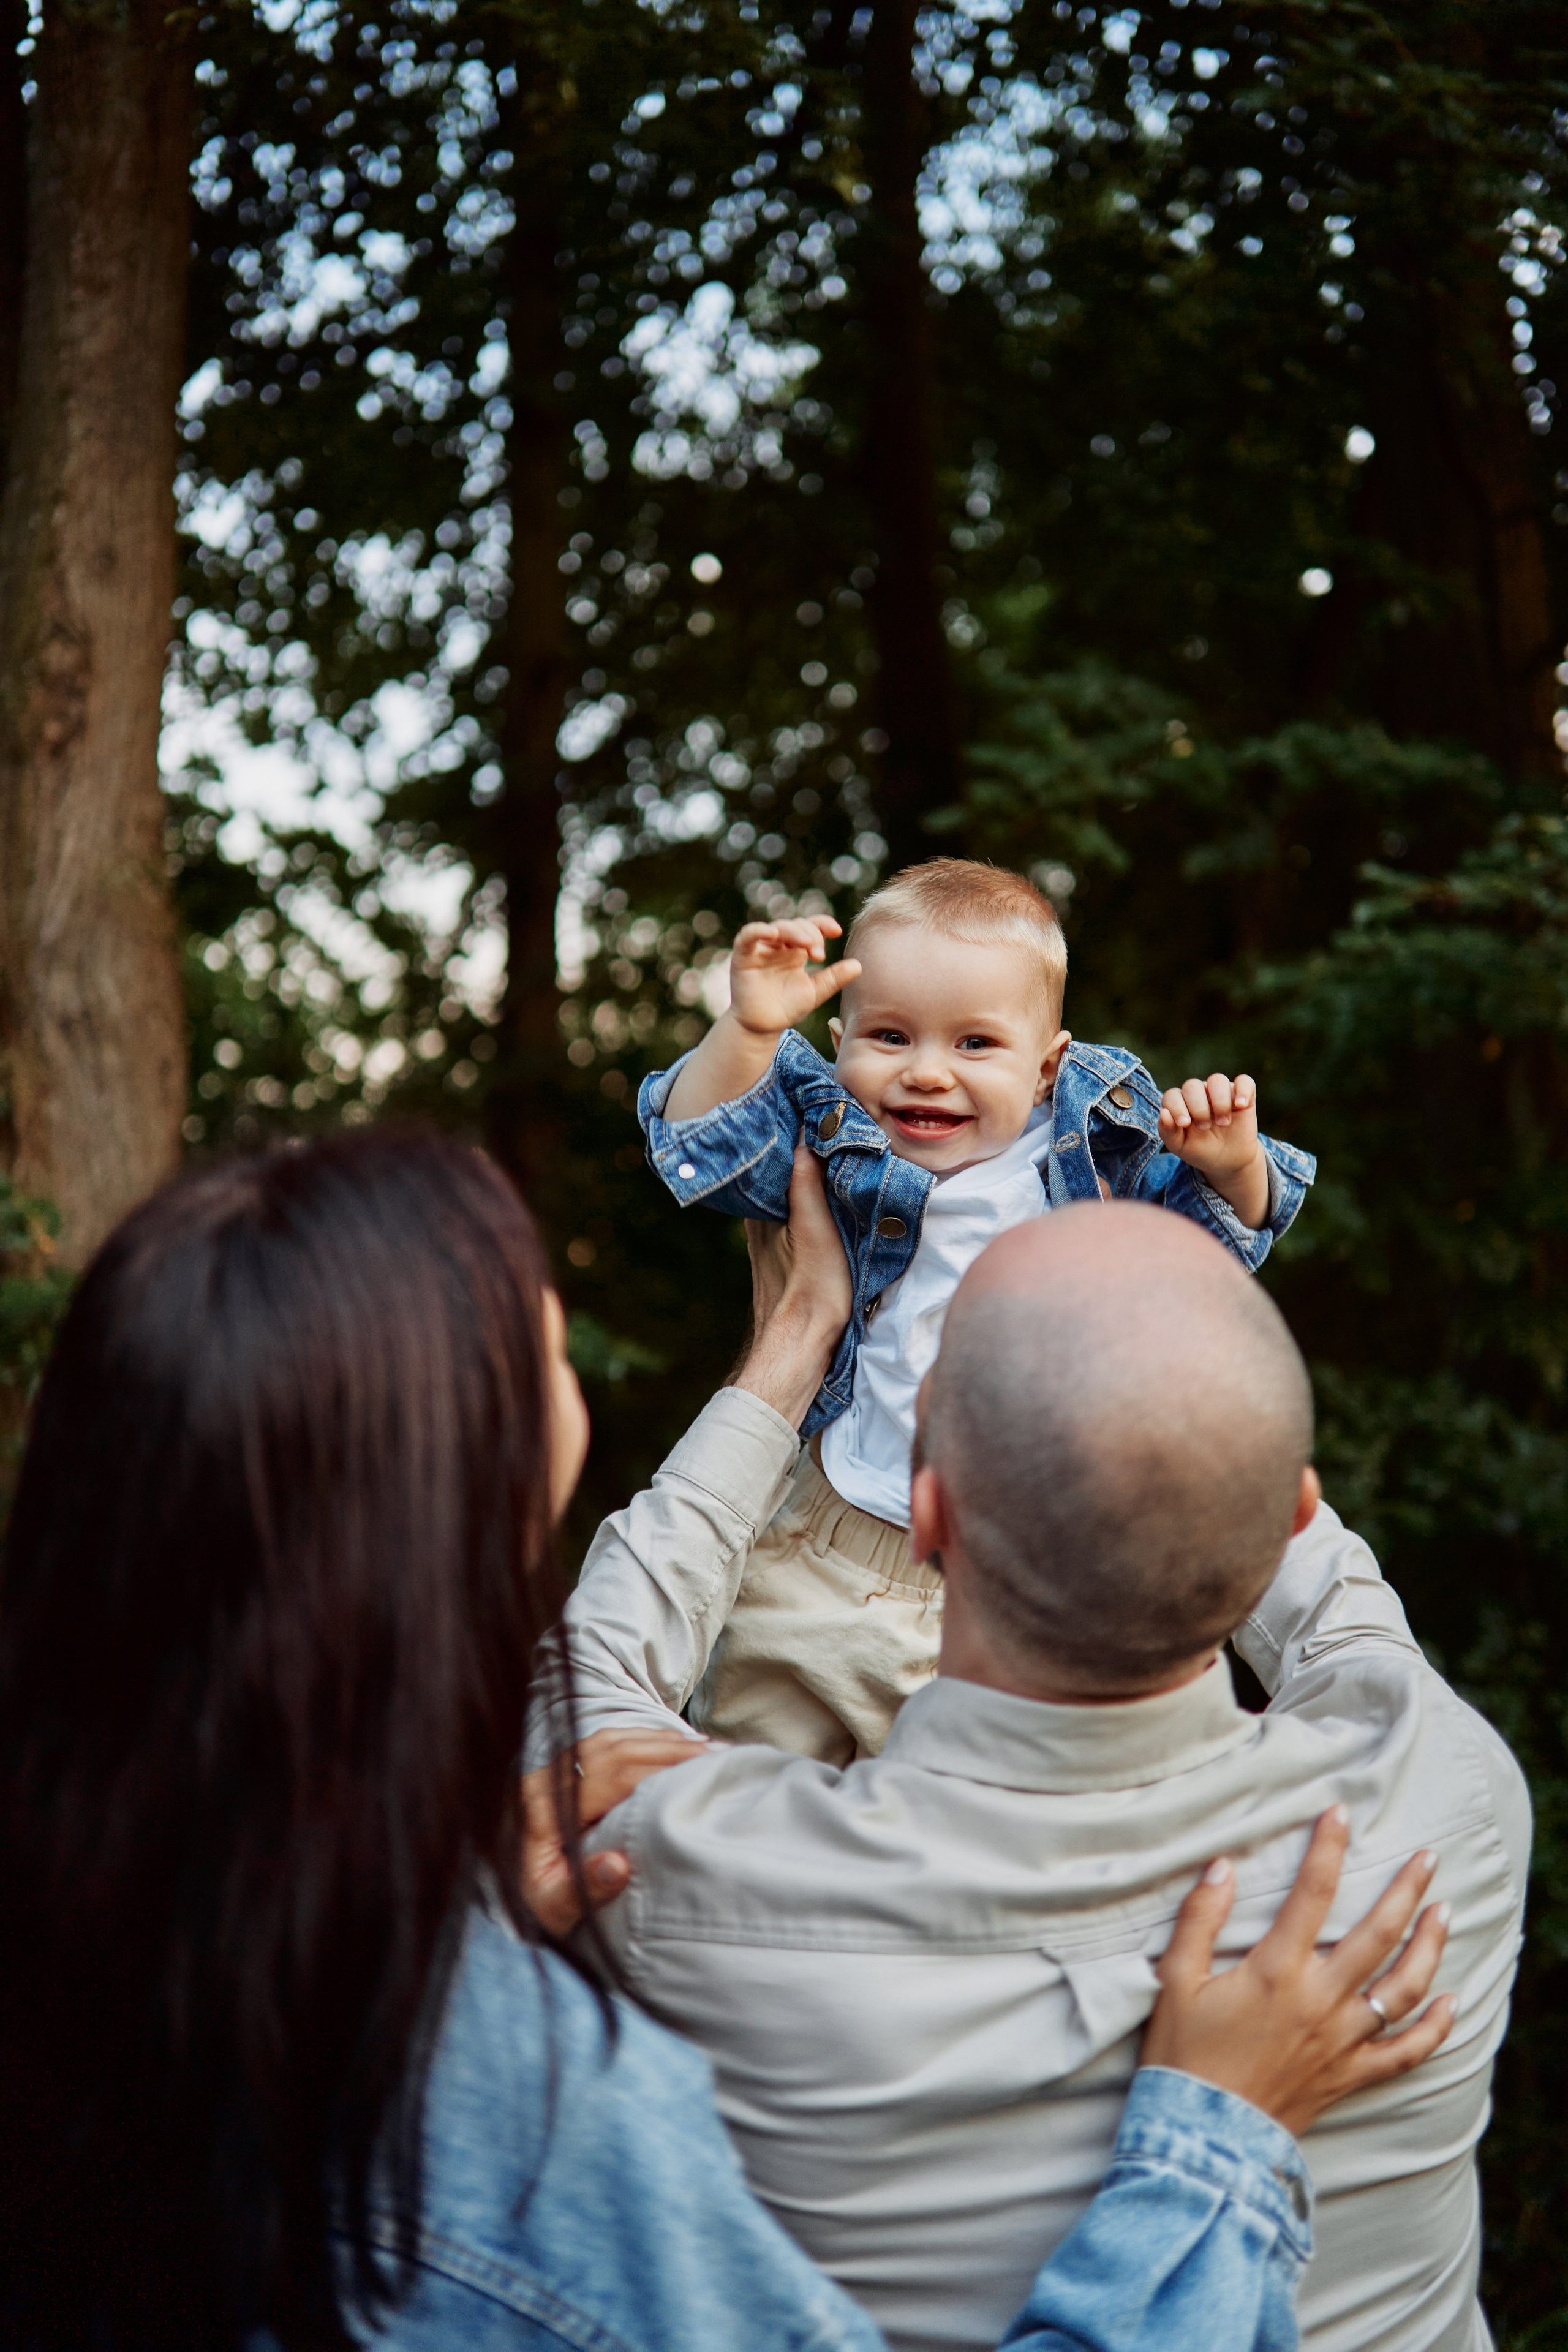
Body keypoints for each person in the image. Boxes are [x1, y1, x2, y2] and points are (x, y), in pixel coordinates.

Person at [0, 1129, 1448, 2352]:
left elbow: (595, 1678)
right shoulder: (534, 2101)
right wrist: (1210, 2143)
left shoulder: (145, 1925)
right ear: (469, 1473)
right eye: (551, 1342)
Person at [541, 1152, 1530, 2352]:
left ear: (928, 1510)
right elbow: (1338, 1608)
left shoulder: (685, 1879)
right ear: (1288, 1509)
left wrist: (798, 1332)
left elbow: (581, 1701)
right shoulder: (1452, 1798)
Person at [637, 857, 1316, 1761]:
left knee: (978, 1828)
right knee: (760, 1795)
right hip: (824, 1551)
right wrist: (746, 1031)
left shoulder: (1098, 1154)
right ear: (838, 1043)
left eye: (974, 1045)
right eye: (888, 1036)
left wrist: (1231, 1165)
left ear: (1047, 1070)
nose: (926, 1073)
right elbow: (698, 1145)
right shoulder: (838, 1143)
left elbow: (1214, 1250)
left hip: (1017, 1583)